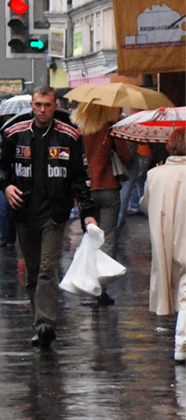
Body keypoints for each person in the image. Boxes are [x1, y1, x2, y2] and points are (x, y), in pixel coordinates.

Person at [0, 86, 99, 348]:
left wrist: (88, 214)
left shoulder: (69, 136)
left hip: (54, 213)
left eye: (47, 105)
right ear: (32, 105)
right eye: (38, 105)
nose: (42, 110)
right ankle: (38, 321)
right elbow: (0, 168)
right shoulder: (14, 133)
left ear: (56, 106)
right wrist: (6, 186)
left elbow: (81, 178)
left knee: (47, 268)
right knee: (32, 272)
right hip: (24, 211)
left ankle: (45, 324)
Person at [77, 102, 136, 306]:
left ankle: (88, 283)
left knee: (90, 238)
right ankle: (101, 288)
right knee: (108, 238)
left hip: (86, 190)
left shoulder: (78, 132)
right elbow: (127, 157)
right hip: (108, 188)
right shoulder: (110, 130)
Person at [141, 128, 186, 364]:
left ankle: (181, 342)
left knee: (177, 286)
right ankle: (181, 341)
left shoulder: (154, 174)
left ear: (169, 146)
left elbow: (145, 205)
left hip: (164, 238)